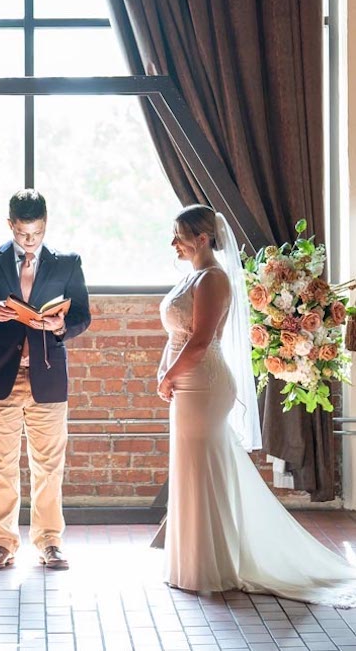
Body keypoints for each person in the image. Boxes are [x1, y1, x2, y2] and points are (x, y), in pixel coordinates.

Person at [157, 204, 356, 605]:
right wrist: (169, 373)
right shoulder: (191, 277)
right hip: (186, 384)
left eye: (179, 235)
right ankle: (192, 562)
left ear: (202, 238)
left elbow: (200, 341)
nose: (172, 243)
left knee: (204, 468)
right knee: (192, 469)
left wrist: (168, 375)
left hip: (203, 385)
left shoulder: (213, 279)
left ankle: (211, 564)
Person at [0, 189, 91, 571]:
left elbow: (82, 315)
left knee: (49, 465)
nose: (28, 240)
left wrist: (62, 323)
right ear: (10, 224)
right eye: (21, 233)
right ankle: (2, 543)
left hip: (47, 377)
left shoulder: (67, 262)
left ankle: (50, 542)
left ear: (45, 224)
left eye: (35, 233)